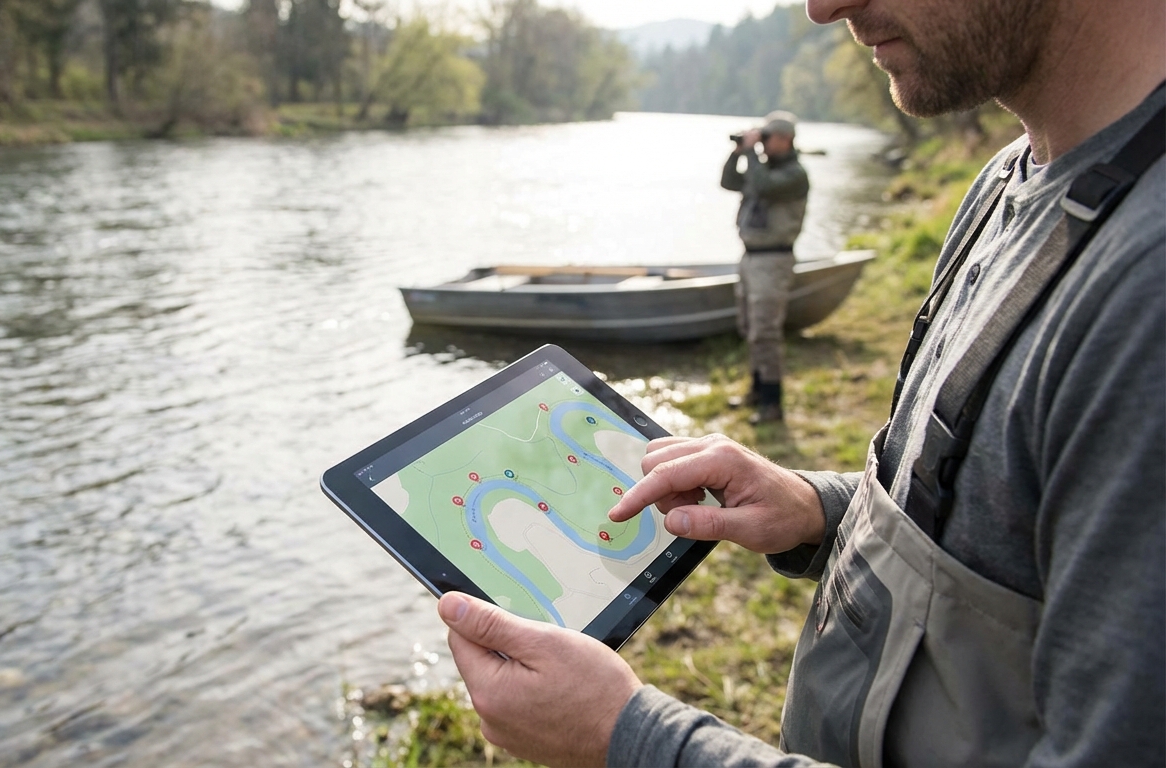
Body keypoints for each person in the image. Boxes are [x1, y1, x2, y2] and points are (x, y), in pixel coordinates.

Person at [437, 0, 1166, 765]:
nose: (823, 8)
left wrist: (629, 741)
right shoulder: (1008, 180)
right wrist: (818, 510)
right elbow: (1006, 528)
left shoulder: (1144, 290)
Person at [720, 111, 810, 423]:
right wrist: (737, 153)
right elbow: (729, 181)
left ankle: (773, 404)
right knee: (750, 327)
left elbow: (765, 186)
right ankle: (757, 391)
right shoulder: (764, 169)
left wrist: (750, 152)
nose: (762, 144)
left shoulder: (794, 175)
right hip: (750, 259)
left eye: (767, 138)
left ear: (785, 139)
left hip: (773, 260)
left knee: (766, 332)